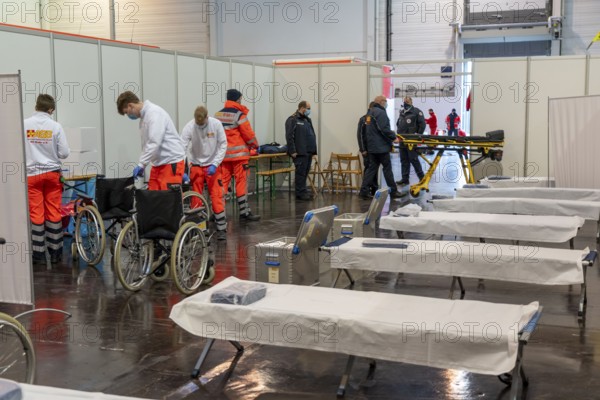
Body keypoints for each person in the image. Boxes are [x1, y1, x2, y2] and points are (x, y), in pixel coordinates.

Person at [24, 94, 70, 264]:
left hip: (32, 175)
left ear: (36, 106)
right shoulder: (55, 126)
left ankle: (39, 256)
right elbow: (64, 153)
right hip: (52, 174)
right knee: (53, 211)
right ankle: (56, 253)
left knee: (36, 213)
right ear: (50, 109)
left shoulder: (24, 124)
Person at [116, 91, 185, 190]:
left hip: (171, 162)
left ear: (130, 105)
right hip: (158, 164)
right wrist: (143, 166)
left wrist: (141, 164)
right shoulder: (144, 118)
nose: (128, 116)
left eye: (127, 112)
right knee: (151, 199)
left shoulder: (154, 114)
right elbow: (146, 145)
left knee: (167, 201)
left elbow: (154, 142)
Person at [181, 106, 228, 241]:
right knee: (196, 199)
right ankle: (199, 229)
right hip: (196, 165)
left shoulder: (216, 124)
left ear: (207, 117)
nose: (200, 127)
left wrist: (215, 163)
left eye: (203, 124)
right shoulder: (189, 127)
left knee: (217, 196)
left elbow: (223, 144)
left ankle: (221, 229)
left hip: (212, 165)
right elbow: (181, 148)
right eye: (198, 124)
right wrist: (183, 170)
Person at [215, 89, 260, 221]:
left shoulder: (217, 115)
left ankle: (218, 212)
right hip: (239, 156)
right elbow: (248, 134)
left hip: (224, 156)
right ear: (237, 99)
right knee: (241, 182)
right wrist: (255, 146)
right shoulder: (239, 115)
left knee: (222, 183)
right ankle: (244, 212)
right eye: (240, 98)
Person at [357, 96, 404, 200]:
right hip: (381, 147)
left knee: (371, 169)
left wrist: (364, 148)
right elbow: (383, 129)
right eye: (385, 102)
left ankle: (363, 191)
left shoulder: (369, 114)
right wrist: (393, 137)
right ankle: (393, 191)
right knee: (387, 169)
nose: (386, 104)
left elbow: (367, 132)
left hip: (372, 148)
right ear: (381, 102)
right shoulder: (380, 112)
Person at [285, 100, 317, 201]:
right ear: (302, 108)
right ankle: (300, 193)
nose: (309, 110)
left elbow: (311, 135)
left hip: (308, 151)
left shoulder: (307, 120)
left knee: (305, 173)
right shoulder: (293, 119)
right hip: (299, 152)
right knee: (300, 173)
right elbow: (289, 136)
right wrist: (292, 151)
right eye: (308, 108)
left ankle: (303, 191)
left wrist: (313, 151)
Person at [396, 96, 426, 185]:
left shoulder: (417, 112)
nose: (405, 103)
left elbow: (422, 124)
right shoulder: (401, 112)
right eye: (404, 101)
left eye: (407, 101)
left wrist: (418, 135)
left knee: (413, 159)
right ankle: (405, 179)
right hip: (402, 140)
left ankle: (422, 178)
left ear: (411, 102)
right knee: (404, 160)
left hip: (411, 140)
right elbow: (399, 124)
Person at [357, 102, 378, 196]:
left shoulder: (376, 120)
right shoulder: (363, 119)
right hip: (367, 150)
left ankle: (374, 189)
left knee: (374, 169)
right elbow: (360, 135)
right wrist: (363, 149)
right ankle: (365, 190)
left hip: (375, 149)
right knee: (369, 169)